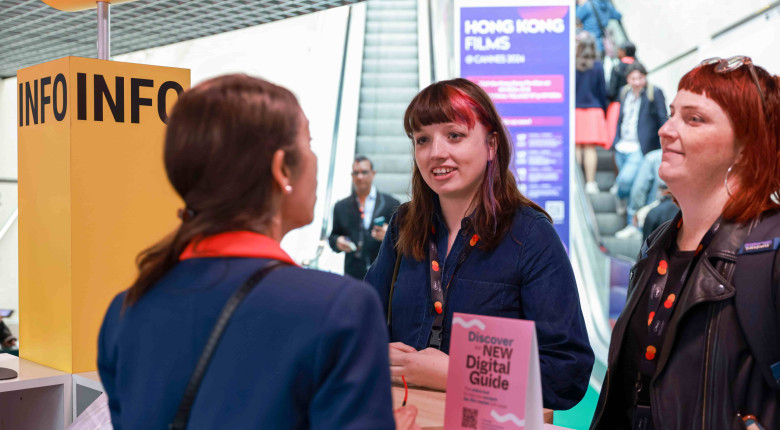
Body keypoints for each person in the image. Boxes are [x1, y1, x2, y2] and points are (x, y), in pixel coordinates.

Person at [97, 75, 419, 430]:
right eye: (309, 142)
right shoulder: (341, 310)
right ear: (282, 169)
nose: (314, 158)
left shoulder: (125, 310)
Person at [364, 78, 594, 411]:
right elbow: (361, 325)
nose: (436, 152)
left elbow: (566, 374)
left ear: (491, 145)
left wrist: (455, 374)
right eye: (422, 139)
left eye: (454, 135)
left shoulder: (530, 235)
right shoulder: (404, 225)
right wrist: (374, 350)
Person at [591, 56, 780, 429]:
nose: (665, 130)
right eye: (671, 114)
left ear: (747, 146)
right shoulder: (659, 243)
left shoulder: (770, 252)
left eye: (694, 119)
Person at [611, 62, 667, 225]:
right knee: (628, 184)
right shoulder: (624, 92)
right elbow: (621, 118)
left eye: (640, 78)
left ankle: (631, 221)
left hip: (640, 147)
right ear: (627, 79)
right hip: (622, 146)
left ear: (645, 77)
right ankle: (630, 218)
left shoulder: (654, 92)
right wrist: (615, 140)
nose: (636, 82)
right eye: (632, 78)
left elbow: (662, 118)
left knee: (626, 182)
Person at [328, 155, 400, 280]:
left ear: (373, 174)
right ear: (352, 175)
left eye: (364, 172)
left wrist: (389, 235)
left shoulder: (391, 203)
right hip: (353, 274)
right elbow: (333, 237)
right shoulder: (341, 206)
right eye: (356, 173)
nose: (360, 177)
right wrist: (338, 242)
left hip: (384, 273)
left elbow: (404, 239)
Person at [575, 31, 609, 194]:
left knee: (576, 148)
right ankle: (590, 183)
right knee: (590, 149)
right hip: (594, 110)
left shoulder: (572, 64)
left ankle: (576, 182)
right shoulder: (598, 65)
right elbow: (602, 91)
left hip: (575, 109)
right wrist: (604, 110)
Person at [606, 42, 637, 144]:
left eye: (619, 50)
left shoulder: (617, 67)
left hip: (617, 104)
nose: (617, 52)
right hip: (636, 103)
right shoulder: (638, 66)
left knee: (615, 134)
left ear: (624, 52)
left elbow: (611, 91)